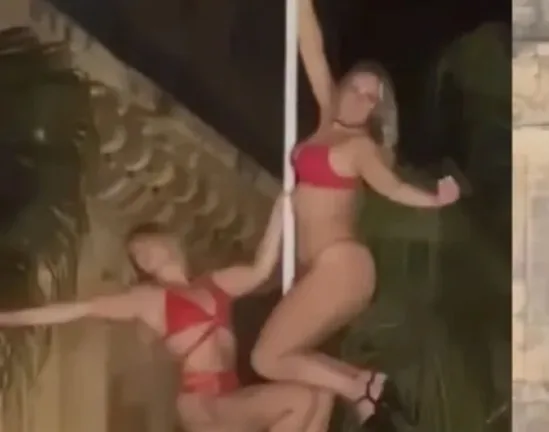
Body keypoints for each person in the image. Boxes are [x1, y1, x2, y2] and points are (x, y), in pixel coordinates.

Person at [248, 0, 460, 431]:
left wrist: (435, 200)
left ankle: (360, 387)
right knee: (296, 365)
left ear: (376, 110)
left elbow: (392, 187)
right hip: (321, 268)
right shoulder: (328, 116)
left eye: (370, 98)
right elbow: (311, 47)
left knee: (266, 358)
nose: (360, 99)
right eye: (356, 89)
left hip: (341, 266)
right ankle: (359, 388)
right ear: (342, 88)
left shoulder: (361, 147)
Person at [0, 195, 321, 432]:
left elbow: (260, 269)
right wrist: (9, 318)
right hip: (203, 404)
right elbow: (80, 310)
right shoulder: (150, 299)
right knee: (301, 399)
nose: (143, 256)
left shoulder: (215, 284)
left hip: (230, 393)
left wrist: (282, 208)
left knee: (320, 399)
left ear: (165, 239)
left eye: (144, 246)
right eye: (137, 257)